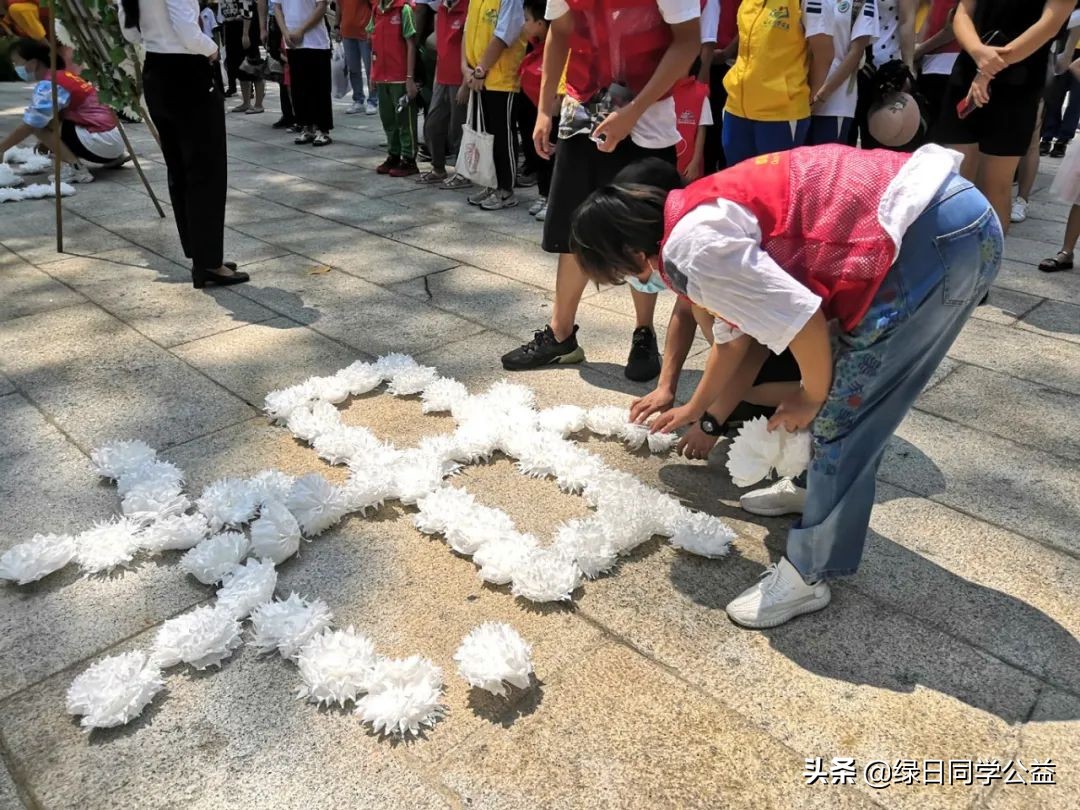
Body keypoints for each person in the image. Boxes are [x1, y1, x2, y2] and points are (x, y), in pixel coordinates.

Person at [568, 143, 1002, 627]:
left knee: (846, 413)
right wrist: (694, 407)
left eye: (625, 273)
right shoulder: (693, 214)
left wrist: (810, 395)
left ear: (630, 251)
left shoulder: (693, 248)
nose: (635, 280)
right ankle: (814, 488)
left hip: (928, 240)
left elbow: (804, 317)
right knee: (837, 388)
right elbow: (733, 343)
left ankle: (808, 574)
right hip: (938, 218)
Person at [499, 0, 701, 381]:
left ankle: (644, 332)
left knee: (642, 229)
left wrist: (634, 111)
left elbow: (687, 42)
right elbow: (560, 30)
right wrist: (545, 109)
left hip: (647, 113)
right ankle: (561, 334)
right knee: (573, 225)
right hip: (582, 107)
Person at [117, 0, 246, 289]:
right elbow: (187, 31)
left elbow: (131, 34)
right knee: (205, 169)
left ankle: (201, 254)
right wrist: (212, 49)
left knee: (180, 168)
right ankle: (209, 262)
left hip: (156, 71)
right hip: (187, 73)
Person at [935, 0, 1073, 233]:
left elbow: (1049, 25)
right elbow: (963, 13)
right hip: (968, 71)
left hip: (1020, 81)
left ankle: (987, 263)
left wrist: (988, 67)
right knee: (955, 176)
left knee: (997, 183)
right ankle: (950, 257)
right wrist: (979, 54)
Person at [0, 39, 125, 184]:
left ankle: (76, 169)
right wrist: (49, 142)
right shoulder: (64, 76)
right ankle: (114, 158)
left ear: (33, 63)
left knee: (37, 126)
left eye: (17, 63)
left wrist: (2, 148)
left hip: (99, 142)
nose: (15, 68)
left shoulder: (50, 84)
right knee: (47, 121)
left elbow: (31, 124)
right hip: (115, 143)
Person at [721, 0, 812, 166]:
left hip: (780, 114)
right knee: (738, 185)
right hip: (736, 109)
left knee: (774, 187)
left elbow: (823, 54)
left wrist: (814, 97)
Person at [461, 0, 527, 210]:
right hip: (477, 77)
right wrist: (465, 68)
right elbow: (466, 31)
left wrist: (481, 69)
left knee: (502, 135)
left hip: (501, 78)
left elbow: (505, 34)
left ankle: (506, 190)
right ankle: (492, 184)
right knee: (485, 135)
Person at [805, 0, 879, 146]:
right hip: (798, 98)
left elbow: (856, 51)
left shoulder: (864, 2)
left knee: (827, 166)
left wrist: (821, 97)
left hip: (835, 102)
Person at [419, 0, 470, 186]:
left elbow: (472, 50)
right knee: (432, 125)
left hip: (460, 79)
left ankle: (463, 173)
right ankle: (438, 168)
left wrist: (466, 83)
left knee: (458, 129)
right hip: (441, 78)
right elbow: (440, 47)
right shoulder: (441, 9)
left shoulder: (468, 8)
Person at [273, 0, 334, 145]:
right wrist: (285, 32)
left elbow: (321, 7)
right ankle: (306, 126)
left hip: (316, 42)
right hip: (292, 42)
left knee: (319, 87)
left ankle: (323, 129)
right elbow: (277, 7)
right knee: (299, 88)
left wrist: (302, 30)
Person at [370, 0, 420, 176]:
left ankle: (409, 159)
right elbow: (373, 43)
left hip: (400, 76)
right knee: (388, 118)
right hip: (382, 75)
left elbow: (411, 44)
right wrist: (372, 73)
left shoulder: (404, 9)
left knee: (404, 120)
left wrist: (409, 78)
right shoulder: (376, 9)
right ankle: (394, 154)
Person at [1040, 5, 1080, 158]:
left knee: (1076, 100)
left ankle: (1062, 140)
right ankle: (1047, 136)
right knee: (1055, 96)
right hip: (1063, 45)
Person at [914, 0, 959, 134]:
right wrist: (917, 53)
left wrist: (919, 51)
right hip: (929, 65)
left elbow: (953, 29)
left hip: (949, 67)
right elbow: (929, 19)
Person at [338, 0, 378, 115]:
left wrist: (373, 28)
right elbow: (339, 7)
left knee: (370, 68)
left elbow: (375, 6)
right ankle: (358, 99)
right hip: (347, 32)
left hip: (365, 33)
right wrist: (337, 25)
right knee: (353, 69)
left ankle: (373, 100)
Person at [671, 75, 711, 181]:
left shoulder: (700, 93)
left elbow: (701, 130)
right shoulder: (661, 90)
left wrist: (695, 162)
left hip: (688, 164)